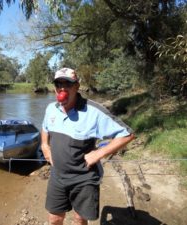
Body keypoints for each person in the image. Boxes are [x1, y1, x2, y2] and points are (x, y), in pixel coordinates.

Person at [41, 68, 134, 225]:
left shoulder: (94, 111)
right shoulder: (51, 108)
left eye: (67, 84)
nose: (62, 88)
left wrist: (98, 154)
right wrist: (44, 145)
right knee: (54, 218)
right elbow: (45, 128)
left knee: (79, 218)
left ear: (77, 86)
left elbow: (127, 134)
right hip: (57, 176)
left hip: (83, 179)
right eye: (58, 84)